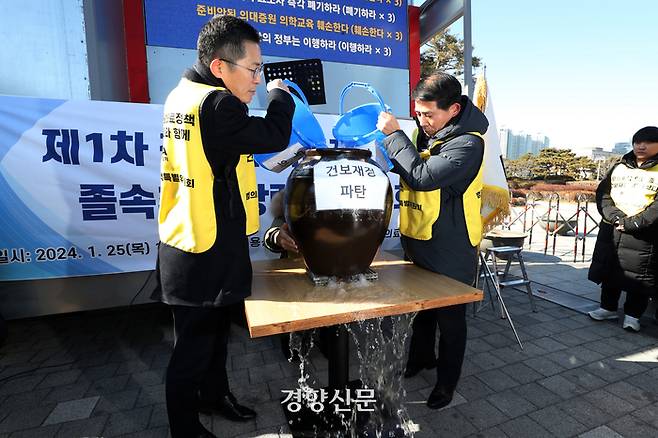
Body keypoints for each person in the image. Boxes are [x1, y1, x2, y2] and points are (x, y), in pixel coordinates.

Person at [152, 15, 294, 438]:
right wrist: (281, 96)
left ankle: (215, 396)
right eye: (253, 70)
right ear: (219, 67)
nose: (257, 80)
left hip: (195, 235)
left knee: (213, 337)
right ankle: (184, 427)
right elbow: (272, 134)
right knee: (192, 348)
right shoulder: (216, 104)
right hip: (203, 248)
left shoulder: (185, 93)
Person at [376, 72, 487, 410]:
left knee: (451, 321)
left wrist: (395, 135)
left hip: (451, 248)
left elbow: (423, 177)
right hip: (420, 238)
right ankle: (421, 359)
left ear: (454, 109)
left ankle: (446, 383)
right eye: (418, 113)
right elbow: (409, 169)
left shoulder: (468, 143)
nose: (422, 121)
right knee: (422, 311)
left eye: (429, 114)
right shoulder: (424, 135)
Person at [587, 126, 658, 332]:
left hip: (643, 233)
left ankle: (633, 316)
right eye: (637, 142)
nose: (641, 146)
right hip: (612, 228)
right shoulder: (620, 166)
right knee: (610, 269)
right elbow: (603, 194)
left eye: (647, 142)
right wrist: (614, 216)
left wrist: (634, 222)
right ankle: (607, 308)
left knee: (639, 275)